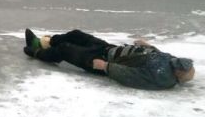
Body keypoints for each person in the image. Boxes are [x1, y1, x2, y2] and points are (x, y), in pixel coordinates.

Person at [23, 28, 195, 90]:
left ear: (178, 73)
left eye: (178, 64)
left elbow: (132, 76)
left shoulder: (160, 77)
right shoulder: (171, 62)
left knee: (65, 49)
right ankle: (45, 42)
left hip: (101, 61)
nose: (175, 60)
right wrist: (148, 46)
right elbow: (159, 55)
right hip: (110, 49)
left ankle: (37, 51)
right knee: (76, 35)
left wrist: (106, 67)